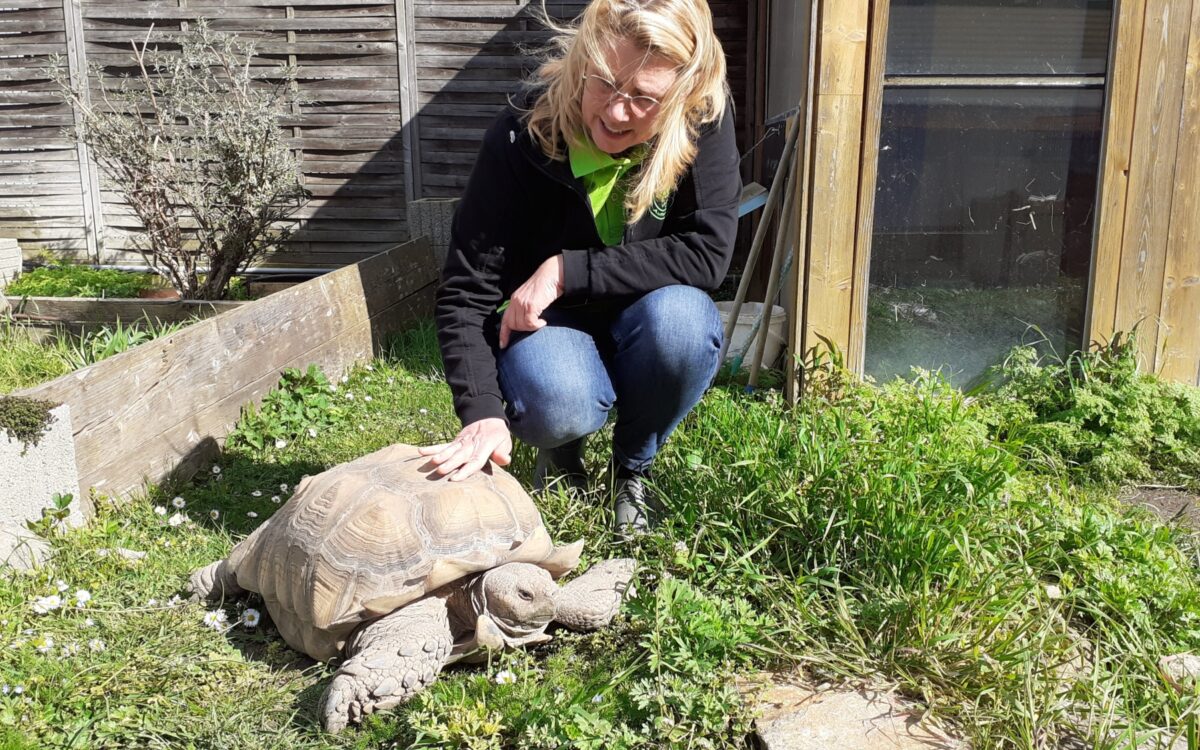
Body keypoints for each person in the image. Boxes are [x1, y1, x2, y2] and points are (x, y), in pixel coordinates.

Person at [419, 0, 741, 537]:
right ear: (581, 63)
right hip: (554, 326)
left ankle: (632, 466)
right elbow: (467, 291)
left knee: (684, 324)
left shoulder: (702, 119)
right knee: (557, 398)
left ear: (682, 96)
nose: (617, 112)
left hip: (649, 310)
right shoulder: (521, 135)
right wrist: (480, 411)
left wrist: (567, 270)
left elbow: (707, 253)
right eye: (606, 84)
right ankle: (563, 452)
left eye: (644, 98)